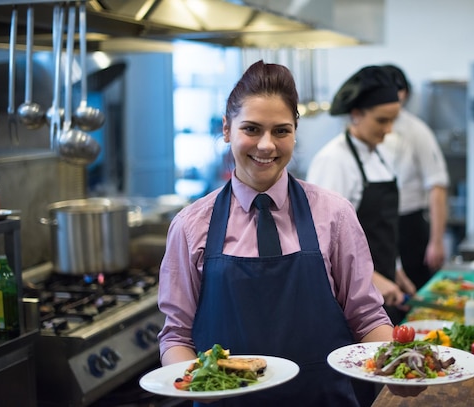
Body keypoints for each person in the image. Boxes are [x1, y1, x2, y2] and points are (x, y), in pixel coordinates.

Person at [157, 60, 421, 407]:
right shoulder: (191, 225)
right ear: (226, 129)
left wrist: (398, 365)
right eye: (251, 129)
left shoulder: (334, 215)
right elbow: (177, 334)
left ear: (295, 131)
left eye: (281, 131)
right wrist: (195, 384)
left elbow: (367, 316)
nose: (266, 145)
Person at [305, 65, 416, 325]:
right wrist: (372, 279)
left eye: (393, 120)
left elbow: (382, 229)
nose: (389, 130)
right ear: (355, 114)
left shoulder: (380, 154)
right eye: (381, 120)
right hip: (350, 295)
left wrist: (396, 270)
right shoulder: (334, 160)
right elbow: (322, 241)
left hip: (383, 287)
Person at [381, 65, 450, 290]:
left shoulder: (417, 130)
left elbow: (437, 187)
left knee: (415, 291)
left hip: (410, 225)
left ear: (405, 94)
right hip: (380, 226)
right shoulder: (365, 133)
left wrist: (436, 241)